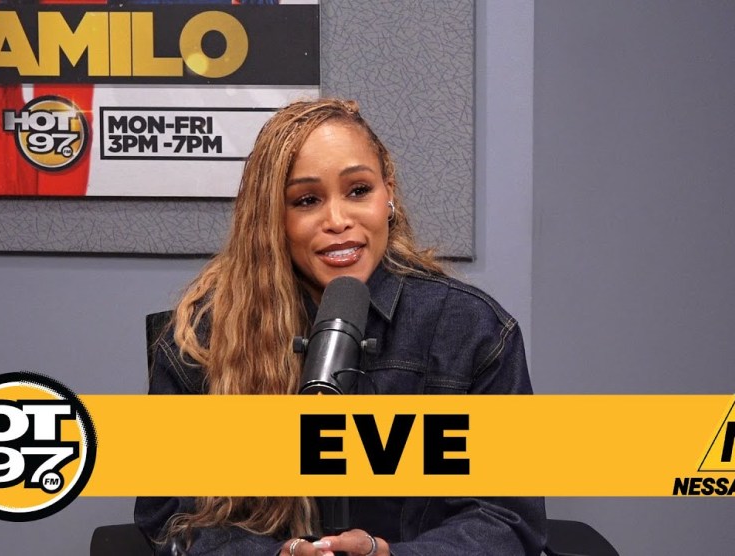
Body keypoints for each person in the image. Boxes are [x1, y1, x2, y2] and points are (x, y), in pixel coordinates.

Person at [135, 98, 547, 556]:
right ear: (272, 218)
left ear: (388, 195)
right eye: (307, 200)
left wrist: (390, 555)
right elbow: (168, 514)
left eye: (358, 190)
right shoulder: (203, 338)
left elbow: (508, 518)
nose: (338, 221)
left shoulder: (473, 330)